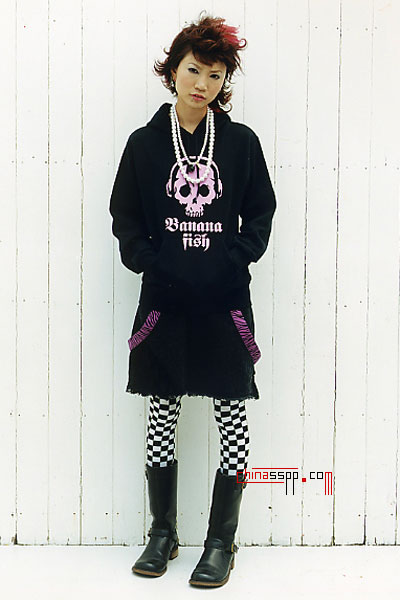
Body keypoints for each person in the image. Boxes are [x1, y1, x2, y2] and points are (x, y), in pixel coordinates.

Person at [109, 11, 277, 588]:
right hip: (165, 302)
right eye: (193, 70)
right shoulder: (144, 145)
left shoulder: (240, 143)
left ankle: (221, 542)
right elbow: (125, 216)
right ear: (173, 71)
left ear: (223, 81)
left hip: (224, 300)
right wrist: (152, 262)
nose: (202, 83)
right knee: (162, 411)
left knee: (232, 413)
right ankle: (162, 533)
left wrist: (234, 258)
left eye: (214, 74)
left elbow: (261, 211)